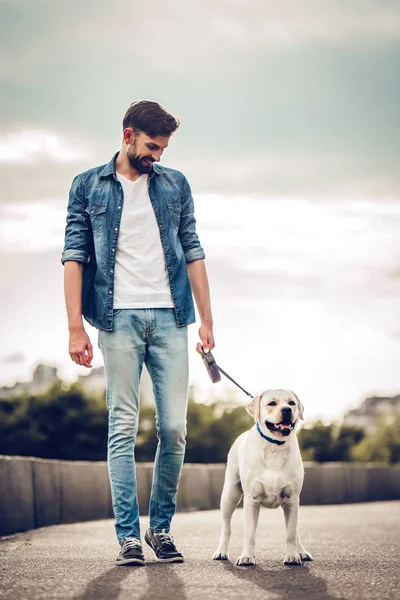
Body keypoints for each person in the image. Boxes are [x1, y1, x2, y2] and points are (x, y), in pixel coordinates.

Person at [61, 100, 214, 566]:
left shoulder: (175, 185)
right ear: (128, 135)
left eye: (164, 148)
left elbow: (192, 249)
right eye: (152, 146)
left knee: (174, 428)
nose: (158, 156)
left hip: (171, 318)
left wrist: (207, 321)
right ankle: (128, 536)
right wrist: (74, 328)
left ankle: (160, 529)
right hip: (117, 318)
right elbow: (74, 254)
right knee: (122, 426)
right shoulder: (88, 186)